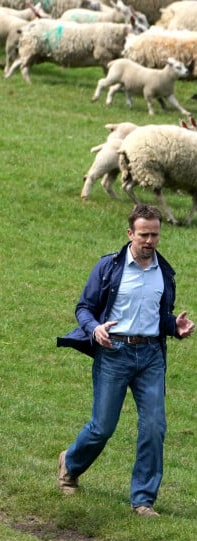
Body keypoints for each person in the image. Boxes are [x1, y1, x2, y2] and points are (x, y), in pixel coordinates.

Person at [57, 204, 194, 516]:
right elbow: (84, 308)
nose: (149, 240)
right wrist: (95, 329)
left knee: (155, 427)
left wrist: (174, 326)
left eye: (155, 235)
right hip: (113, 353)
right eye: (143, 234)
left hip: (150, 356)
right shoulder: (109, 267)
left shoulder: (164, 273)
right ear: (130, 233)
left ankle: (143, 500)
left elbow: (157, 316)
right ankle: (70, 463)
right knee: (102, 427)